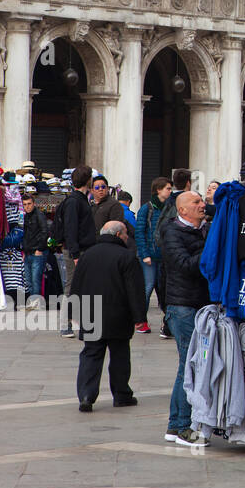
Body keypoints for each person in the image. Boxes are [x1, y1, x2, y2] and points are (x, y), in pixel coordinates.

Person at [69, 220, 144, 412]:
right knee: (119, 354)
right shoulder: (127, 257)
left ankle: (86, 396)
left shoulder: (87, 255)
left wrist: (73, 311)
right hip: (118, 313)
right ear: (118, 235)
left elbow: (76, 284)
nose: (128, 237)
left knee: (91, 354)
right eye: (126, 233)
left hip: (90, 312)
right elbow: (134, 290)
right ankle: (121, 395)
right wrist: (139, 317)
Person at [161, 191, 210, 445]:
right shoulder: (172, 233)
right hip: (183, 308)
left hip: (199, 306)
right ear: (182, 210)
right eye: (196, 202)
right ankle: (181, 427)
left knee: (192, 366)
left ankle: (175, 425)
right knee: (189, 366)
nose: (203, 205)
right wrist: (212, 248)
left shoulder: (203, 229)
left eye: (202, 201)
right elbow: (185, 265)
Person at [57, 166, 98, 339]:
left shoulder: (81, 199)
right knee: (72, 287)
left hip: (82, 250)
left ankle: (83, 322)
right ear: (87, 180)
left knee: (82, 287)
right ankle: (65, 324)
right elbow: (71, 228)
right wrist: (74, 254)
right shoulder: (75, 201)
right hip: (76, 251)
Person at [152, 169, 193, 341]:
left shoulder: (168, 202)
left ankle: (168, 324)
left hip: (168, 254)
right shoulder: (183, 202)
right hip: (178, 254)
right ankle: (169, 324)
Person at [133, 177, 172, 335]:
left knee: (164, 290)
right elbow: (139, 232)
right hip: (149, 256)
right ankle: (140, 320)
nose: (170, 191)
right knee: (147, 288)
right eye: (168, 188)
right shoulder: (146, 208)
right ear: (158, 190)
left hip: (164, 256)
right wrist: (144, 254)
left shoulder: (170, 207)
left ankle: (168, 322)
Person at [21, 193, 50, 310]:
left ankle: (36, 302)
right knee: (29, 279)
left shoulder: (39, 215)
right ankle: (33, 302)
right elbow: (26, 235)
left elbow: (45, 232)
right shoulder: (26, 216)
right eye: (24, 205)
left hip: (37, 252)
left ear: (34, 203)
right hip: (28, 251)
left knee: (35, 279)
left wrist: (40, 248)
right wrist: (24, 251)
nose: (27, 207)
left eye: (29, 204)